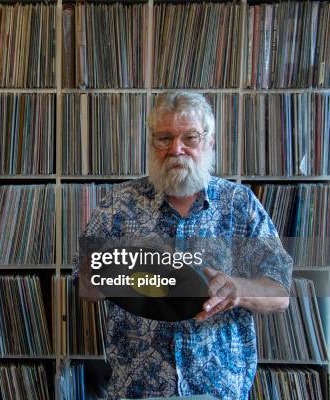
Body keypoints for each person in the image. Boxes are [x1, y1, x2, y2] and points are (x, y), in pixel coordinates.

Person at [75, 92, 293, 399]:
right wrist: (122, 262)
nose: (176, 149)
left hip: (218, 389)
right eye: (164, 138)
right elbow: (85, 286)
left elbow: (280, 291)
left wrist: (238, 290)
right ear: (152, 144)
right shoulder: (118, 204)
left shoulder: (240, 203)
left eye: (189, 137)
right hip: (137, 389)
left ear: (209, 142)